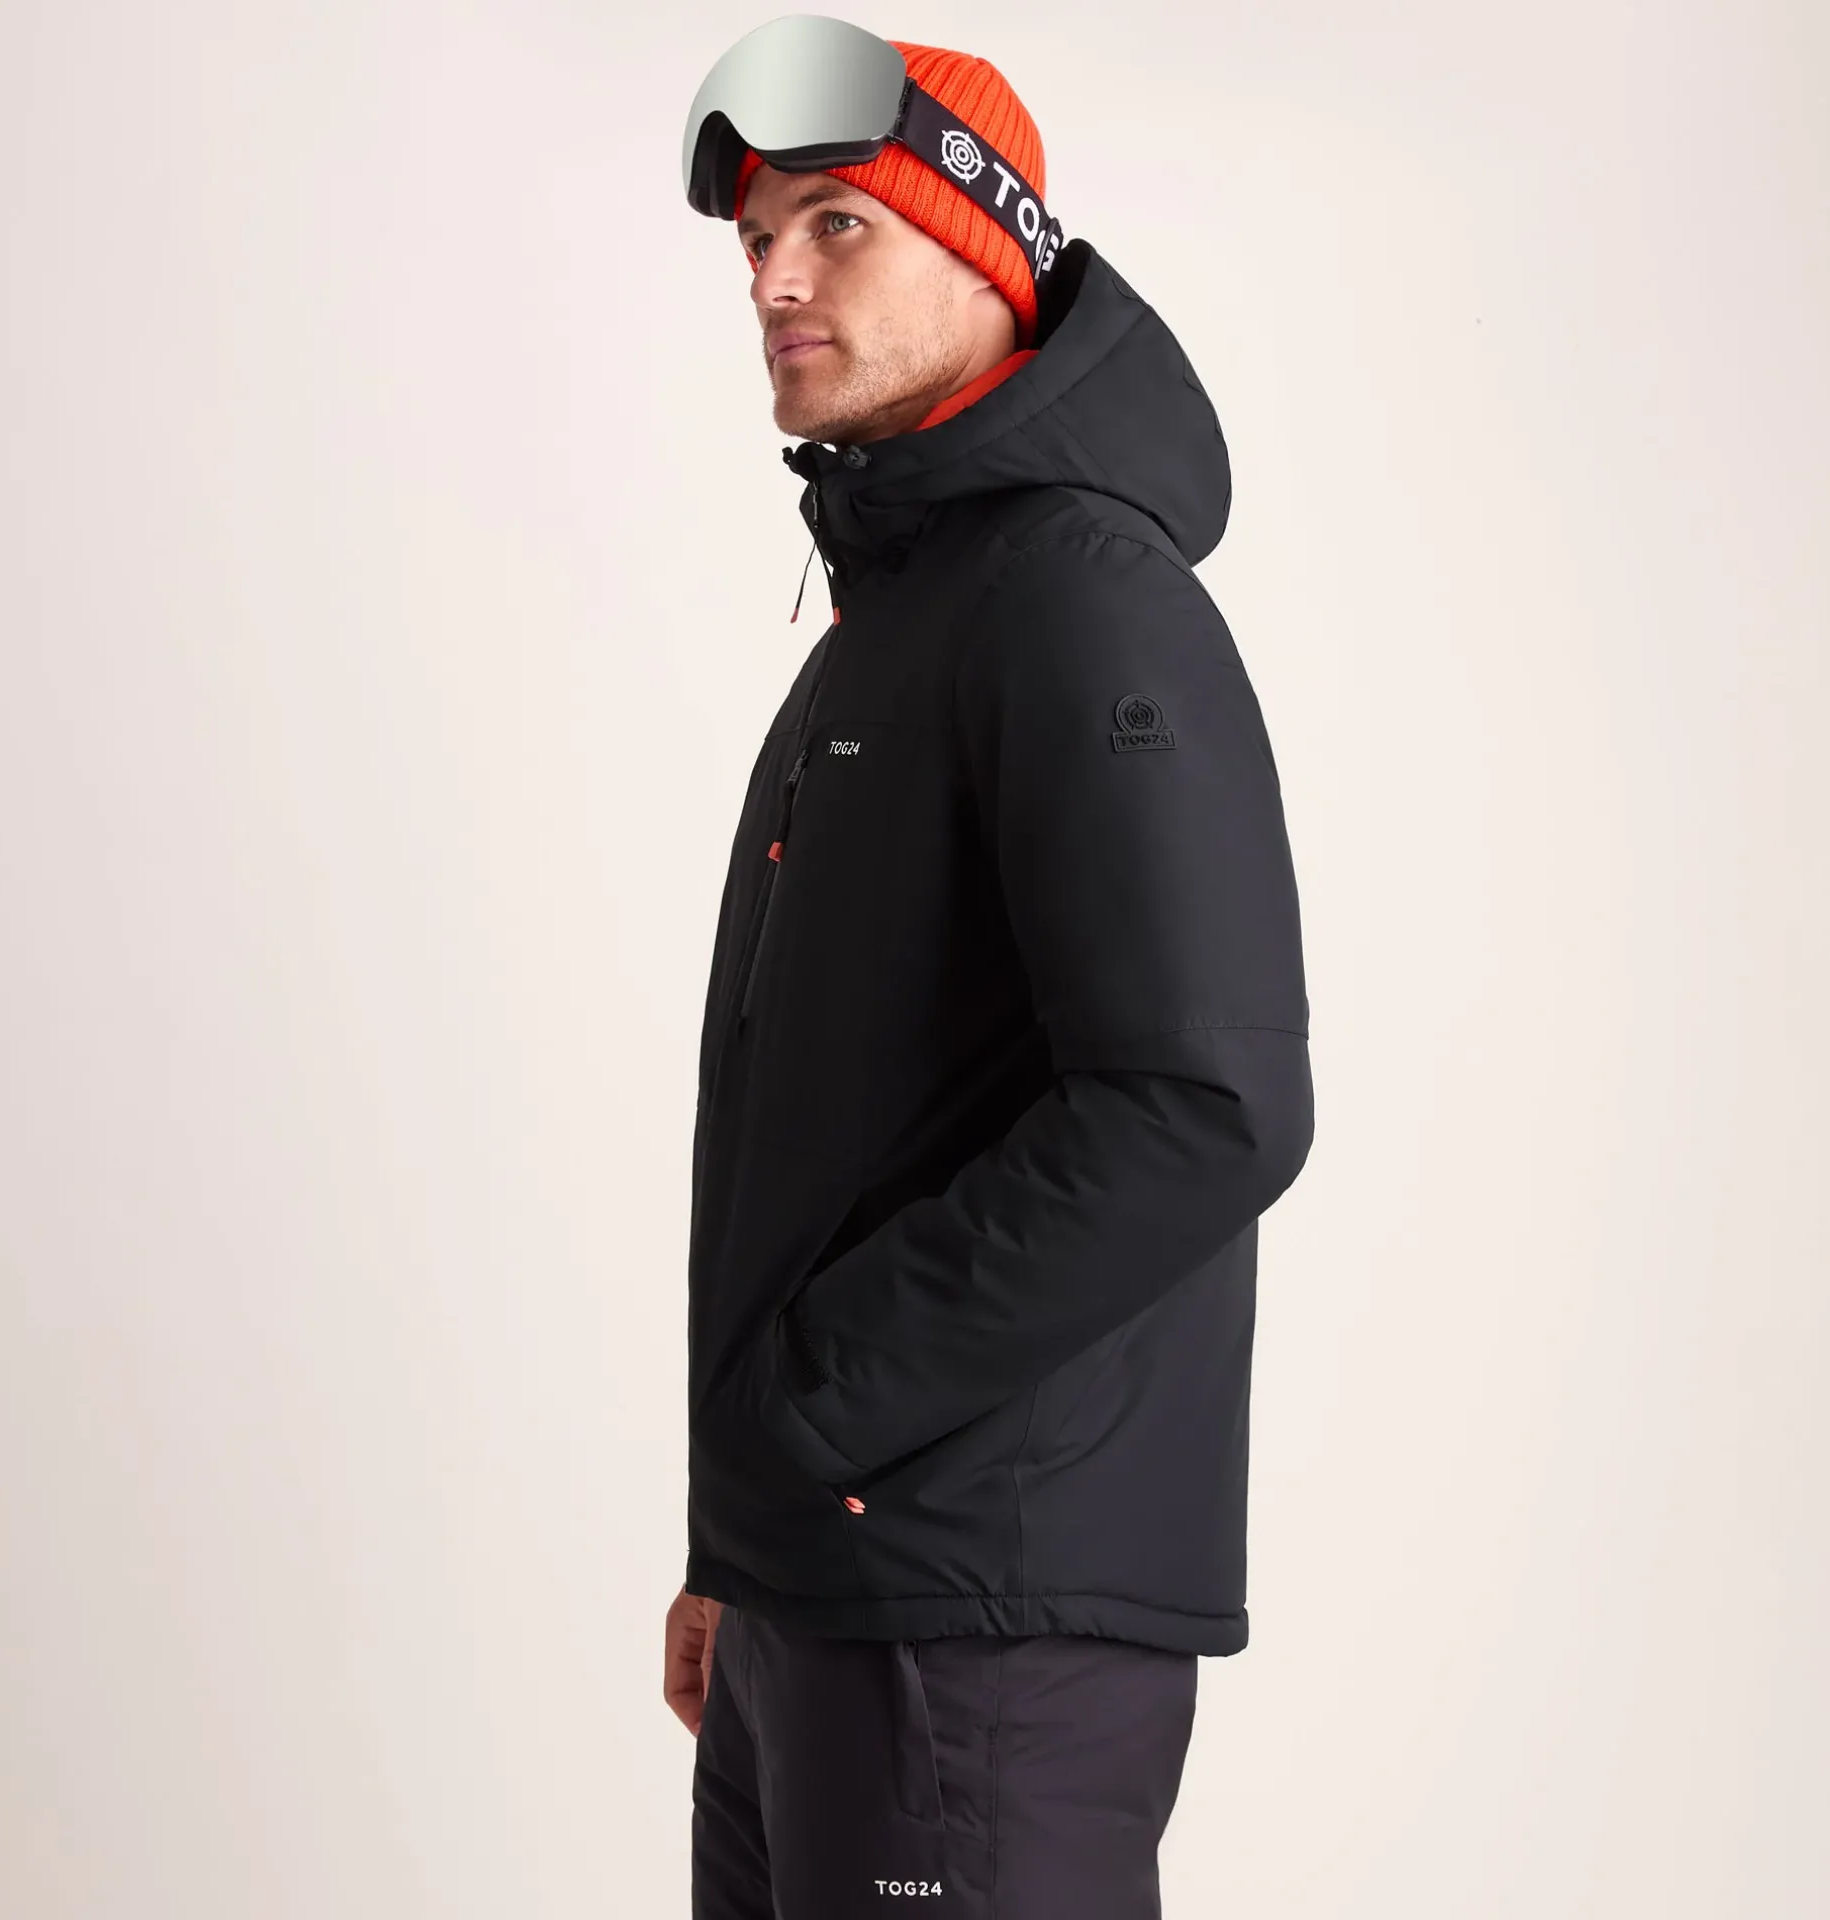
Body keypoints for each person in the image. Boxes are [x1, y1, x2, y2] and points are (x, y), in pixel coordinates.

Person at [666, 21, 1315, 1917]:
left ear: (985, 248)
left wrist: (811, 1418)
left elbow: (1203, 1102)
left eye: (835, 227)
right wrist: (744, 1535)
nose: (775, 281)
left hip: (977, 1628)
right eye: (757, 241)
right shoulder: (898, 616)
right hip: (831, 1588)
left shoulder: (1079, 600)